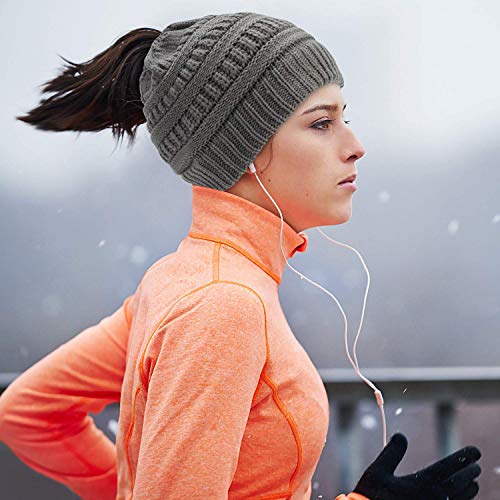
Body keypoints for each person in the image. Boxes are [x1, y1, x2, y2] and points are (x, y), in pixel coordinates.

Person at [0, 11, 481, 500]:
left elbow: (30, 413)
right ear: (243, 151)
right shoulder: (222, 304)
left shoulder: (178, 278)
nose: (355, 147)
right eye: (321, 123)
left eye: (345, 120)